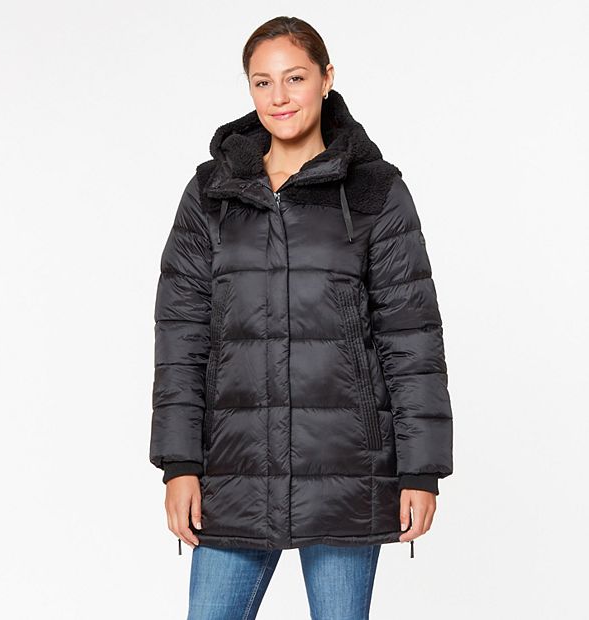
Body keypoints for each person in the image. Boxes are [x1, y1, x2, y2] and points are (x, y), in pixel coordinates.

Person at [149, 15, 453, 619]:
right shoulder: (212, 192)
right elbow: (181, 336)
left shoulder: (374, 191)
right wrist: (179, 465)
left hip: (348, 467)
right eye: (262, 82)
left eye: (294, 77)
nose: (279, 97)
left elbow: (411, 335)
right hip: (234, 469)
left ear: (326, 78)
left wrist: (420, 471)